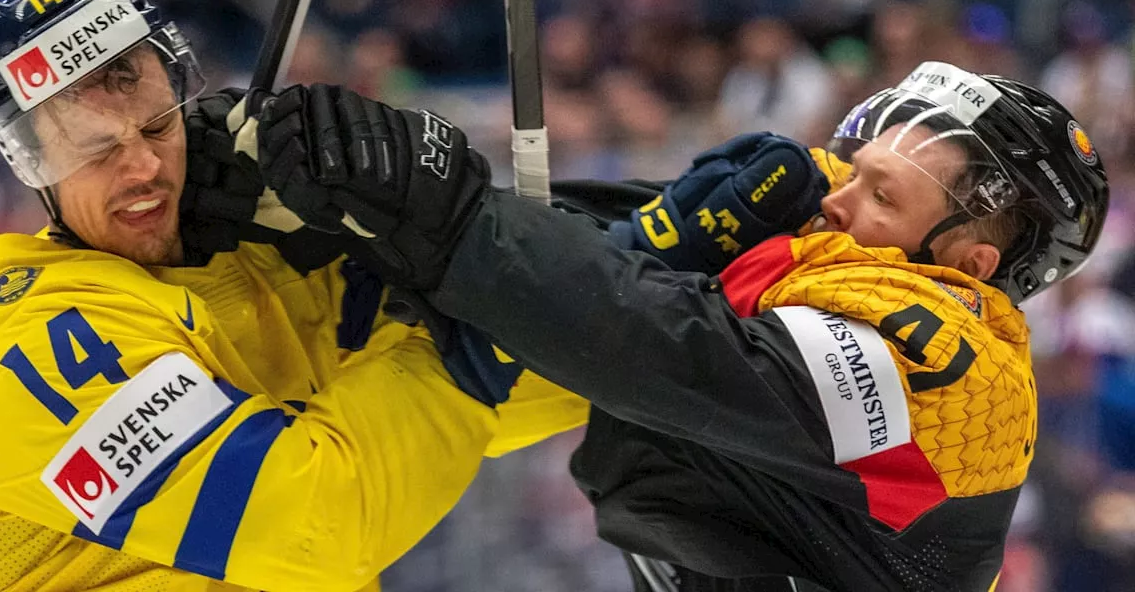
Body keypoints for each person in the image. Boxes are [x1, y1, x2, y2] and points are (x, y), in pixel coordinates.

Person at [232, 60, 1109, 591]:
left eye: (883, 195)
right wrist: (323, 211)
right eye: (857, 170)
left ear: (970, 265)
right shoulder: (830, 259)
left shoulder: (957, 378)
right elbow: (605, 251)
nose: (839, 198)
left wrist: (442, 210)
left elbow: (661, 340)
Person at [0, 0, 587, 592]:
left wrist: (612, 269)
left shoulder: (253, 261)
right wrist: (468, 326)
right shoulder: (16, 348)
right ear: (32, 162)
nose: (144, 170)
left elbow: (517, 388)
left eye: (157, 127)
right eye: (94, 150)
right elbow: (321, 522)